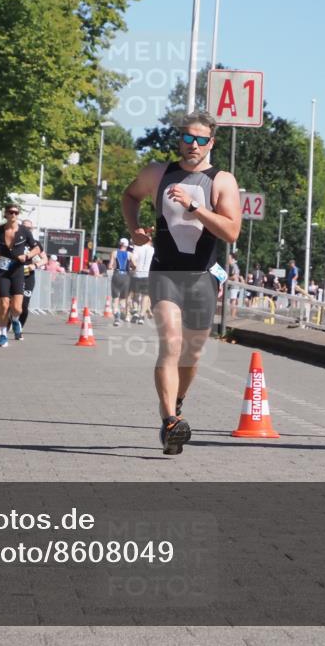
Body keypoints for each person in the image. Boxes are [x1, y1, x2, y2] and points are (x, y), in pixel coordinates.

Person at [122, 110, 241, 455]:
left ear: (211, 143)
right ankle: (170, 420)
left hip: (203, 277)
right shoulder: (158, 173)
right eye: (187, 138)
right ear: (180, 140)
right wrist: (135, 231)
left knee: (192, 354)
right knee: (171, 344)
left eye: (201, 139)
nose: (193, 145)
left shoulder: (222, 181)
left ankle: (179, 399)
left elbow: (231, 231)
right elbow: (129, 197)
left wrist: (196, 208)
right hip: (165, 273)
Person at [0, 204, 40, 347]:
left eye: (16, 212)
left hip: (17, 270)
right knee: (3, 303)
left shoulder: (24, 231)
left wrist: (27, 256)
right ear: (6, 214)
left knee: (17, 307)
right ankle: (3, 335)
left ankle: (15, 320)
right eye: (10, 212)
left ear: (18, 214)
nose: (13, 215)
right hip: (2, 269)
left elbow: (37, 248)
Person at [18, 219, 47, 335]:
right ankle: (10, 322)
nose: (27, 230)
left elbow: (45, 259)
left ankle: (19, 326)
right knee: (13, 303)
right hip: (15, 275)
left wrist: (35, 265)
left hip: (28, 276)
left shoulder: (35, 244)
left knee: (24, 304)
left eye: (29, 228)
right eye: (24, 227)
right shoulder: (15, 241)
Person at [108, 238, 134, 326]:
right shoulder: (130, 254)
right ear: (127, 245)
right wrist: (131, 268)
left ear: (120, 244)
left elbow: (110, 265)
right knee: (123, 299)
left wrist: (111, 267)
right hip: (126, 276)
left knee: (115, 298)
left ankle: (117, 317)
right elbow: (135, 265)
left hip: (116, 275)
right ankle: (126, 315)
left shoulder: (114, 253)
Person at [130, 234, 154, 323]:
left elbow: (133, 258)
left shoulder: (137, 248)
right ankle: (142, 316)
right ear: (150, 241)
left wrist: (135, 265)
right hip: (148, 275)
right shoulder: (153, 250)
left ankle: (136, 311)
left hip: (137, 274)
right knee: (145, 296)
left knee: (136, 294)